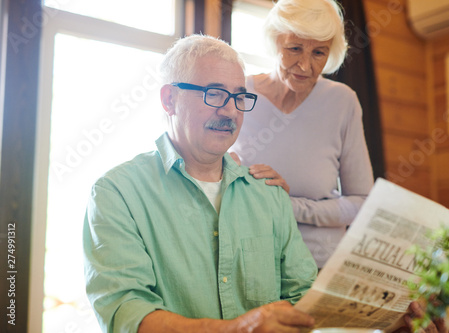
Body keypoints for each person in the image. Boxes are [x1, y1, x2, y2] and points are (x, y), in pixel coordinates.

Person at [83, 34, 319, 333]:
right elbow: (126, 314)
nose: (231, 111)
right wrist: (236, 330)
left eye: (238, 97)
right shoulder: (117, 193)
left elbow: (305, 299)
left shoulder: (269, 194)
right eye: (215, 94)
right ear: (170, 99)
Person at [230, 0, 374, 269]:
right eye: (294, 48)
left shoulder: (342, 102)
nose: (305, 66)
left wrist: (290, 205)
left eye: (319, 53)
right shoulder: (240, 94)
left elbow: (361, 203)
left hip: (318, 264)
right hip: (251, 263)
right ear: (274, 42)